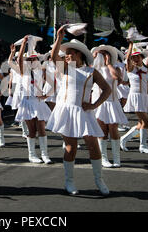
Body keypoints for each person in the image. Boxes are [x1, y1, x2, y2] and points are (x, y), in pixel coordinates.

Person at [46, 26, 112, 196]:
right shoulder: (65, 69)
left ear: (79, 54)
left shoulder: (91, 71)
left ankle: (99, 180)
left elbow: (106, 89)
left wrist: (94, 105)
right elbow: (53, 57)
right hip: (66, 111)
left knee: (93, 145)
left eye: (70, 52)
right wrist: (59, 38)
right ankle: (69, 182)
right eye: (66, 53)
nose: (67, 55)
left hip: (84, 112)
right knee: (71, 147)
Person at [15, 36, 52, 164]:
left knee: (41, 128)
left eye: (34, 58)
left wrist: (46, 96)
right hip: (27, 102)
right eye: (29, 59)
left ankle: (45, 155)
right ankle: (32, 155)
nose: (32, 61)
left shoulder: (41, 71)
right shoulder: (23, 71)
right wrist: (24, 44)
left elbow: (54, 84)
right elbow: (20, 59)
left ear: (37, 60)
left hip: (39, 102)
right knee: (32, 130)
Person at [91, 45, 128, 168]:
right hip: (99, 102)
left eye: (105, 54)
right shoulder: (94, 69)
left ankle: (117, 158)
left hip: (112, 102)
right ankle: (104, 158)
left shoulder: (115, 68)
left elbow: (117, 78)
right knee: (102, 131)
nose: (102, 56)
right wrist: (93, 57)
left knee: (113, 129)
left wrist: (108, 64)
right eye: (100, 54)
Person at [120, 42, 148, 154]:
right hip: (135, 96)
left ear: (141, 57)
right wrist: (130, 46)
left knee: (142, 123)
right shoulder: (130, 69)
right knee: (145, 121)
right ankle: (143, 145)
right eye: (133, 57)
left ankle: (124, 139)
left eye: (137, 57)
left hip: (144, 96)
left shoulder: (146, 70)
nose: (135, 59)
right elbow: (127, 61)